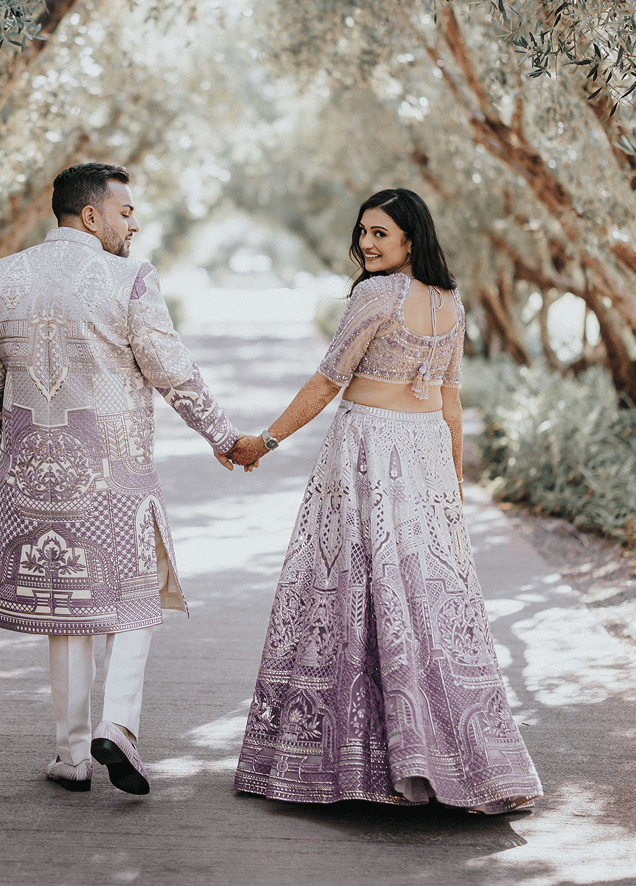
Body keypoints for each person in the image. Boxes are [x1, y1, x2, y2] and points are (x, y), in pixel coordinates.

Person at [228, 188, 542, 812]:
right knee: (419, 599)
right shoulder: (450, 303)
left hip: (368, 450)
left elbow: (327, 381)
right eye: (363, 232)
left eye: (380, 234)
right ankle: (442, 757)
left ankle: (356, 763)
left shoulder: (375, 296)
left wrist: (263, 441)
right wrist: (451, 487)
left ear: (410, 239)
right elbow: (451, 401)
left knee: (353, 593)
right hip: (423, 454)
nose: (367, 244)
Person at [0, 162, 244, 796]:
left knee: (67, 609)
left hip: (32, 478)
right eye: (125, 212)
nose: (134, 223)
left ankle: (70, 757)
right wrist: (224, 437)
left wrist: (3, 468)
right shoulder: (129, 280)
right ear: (90, 215)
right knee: (135, 597)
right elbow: (171, 371)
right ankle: (118, 726)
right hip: (111, 474)